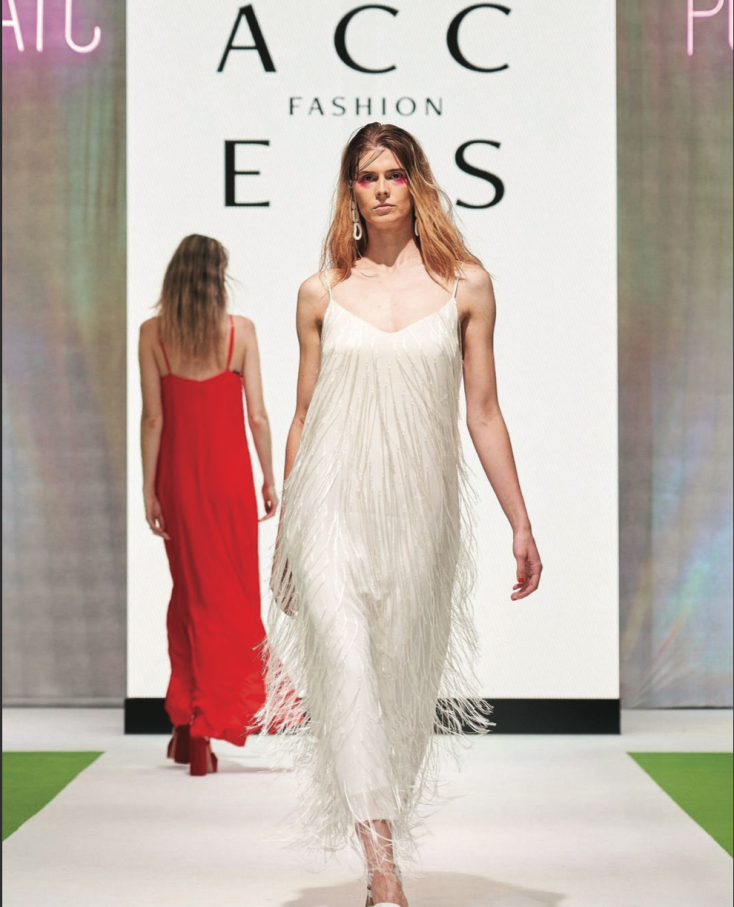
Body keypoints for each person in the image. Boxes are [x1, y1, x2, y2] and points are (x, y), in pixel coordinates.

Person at [261, 124, 542, 907]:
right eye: (367, 176)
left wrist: (520, 521)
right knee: (347, 674)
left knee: (402, 687)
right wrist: (286, 538)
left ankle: (381, 847)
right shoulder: (320, 293)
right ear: (350, 191)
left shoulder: (467, 286)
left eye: (394, 174)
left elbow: (483, 411)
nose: (382, 188)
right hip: (330, 511)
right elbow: (304, 416)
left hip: (419, 513)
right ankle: (384, 874)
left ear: (416, 184)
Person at [138, 234, 278, 776]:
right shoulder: (239, 332)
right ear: (219, 276)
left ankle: (186, 723)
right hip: (229, 482)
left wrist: (149, 488)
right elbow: (257, 416)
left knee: (190, 596)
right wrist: (268, 477)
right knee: (227, 598)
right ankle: (201, 723)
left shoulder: (153, 334)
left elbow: (153, 418)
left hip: (178, 480)